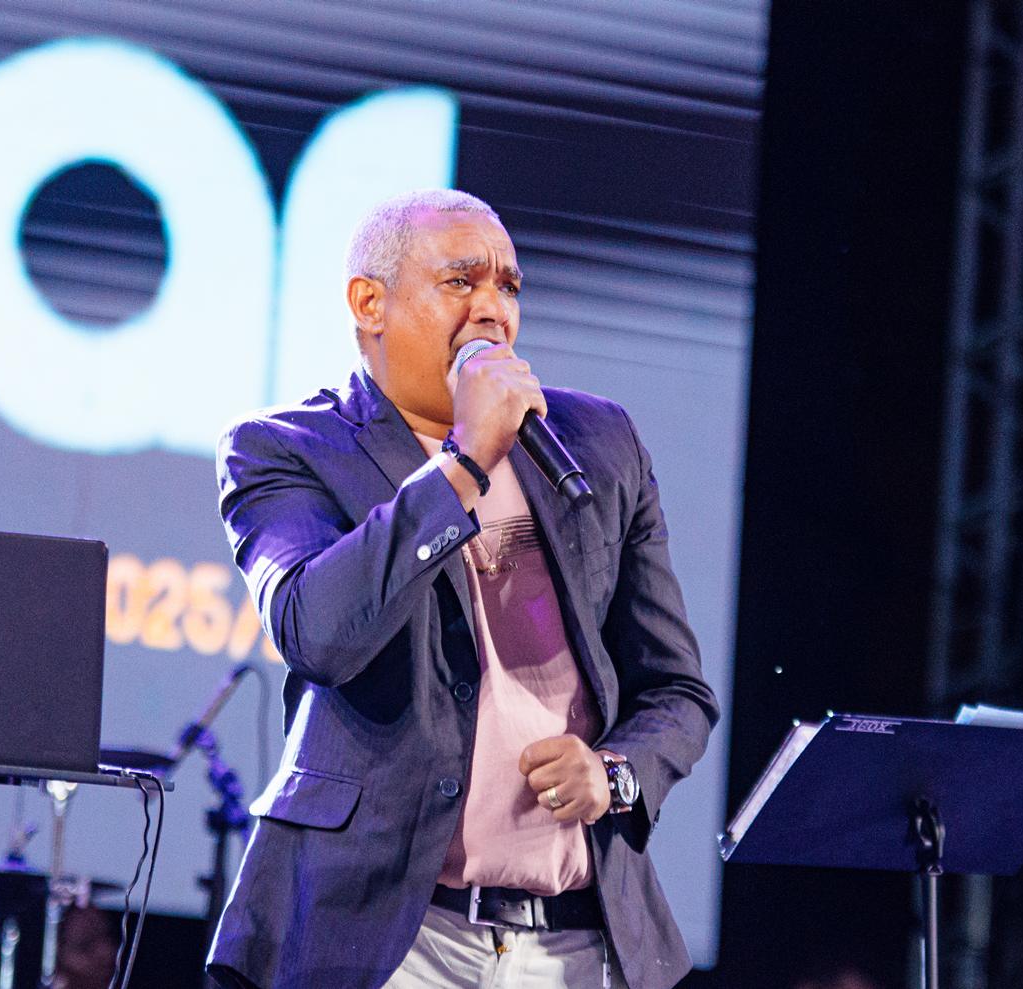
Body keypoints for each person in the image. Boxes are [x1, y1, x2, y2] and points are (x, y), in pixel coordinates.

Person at [207, 188, 718, 989]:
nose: (492, 309)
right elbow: (319, 632)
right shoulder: (287, 448)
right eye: (461, 281)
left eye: (508, 286)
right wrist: (466, 460)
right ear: (369, 303)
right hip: (392, 935)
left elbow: (677, 690)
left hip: (576, 941)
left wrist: (614, 772)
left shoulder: (598, 444)